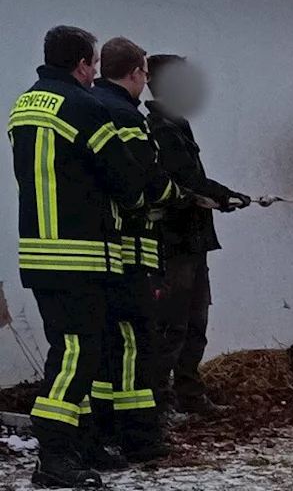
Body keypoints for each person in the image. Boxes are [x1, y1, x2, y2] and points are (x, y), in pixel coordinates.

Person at [9, 26, 179, 488]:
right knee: (77, 354)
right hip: (83, 254)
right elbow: (127, 182)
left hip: (39, 253)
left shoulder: (24, 105)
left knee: (69, 348)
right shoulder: (86, 108)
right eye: (93, 66)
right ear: (84, 65)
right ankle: (54, 456)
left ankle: (80, 444)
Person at [144, 55, 251, 419]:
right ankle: (158, 402)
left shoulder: (176, 125)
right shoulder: (159, 129)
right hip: (174, 244)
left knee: (195, 323)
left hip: (193, 240)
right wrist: (225, 195)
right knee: (172, 325)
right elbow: (186, 179)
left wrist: (223, 196)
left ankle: (189, 393)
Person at [87, 38, 171, 461]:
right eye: (145, 74)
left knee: (104, 341)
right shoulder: (126, 117)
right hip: (132, 249)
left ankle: (102, 426)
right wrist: (178, 194)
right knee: (135, 342)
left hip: (99, 250)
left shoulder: (92, 106)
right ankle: (140, 436)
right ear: (137, 73)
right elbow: (144, 183)